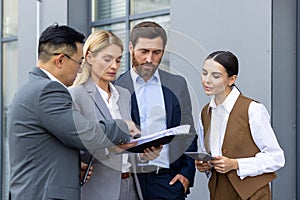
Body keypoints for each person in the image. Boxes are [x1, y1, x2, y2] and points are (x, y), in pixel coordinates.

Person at [8, 23, 139, 200]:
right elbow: (86, 134)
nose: (80, 68)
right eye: (79, 62)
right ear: (60, 60)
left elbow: (49, 148)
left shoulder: (31, 88)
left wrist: (76, 165)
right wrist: (123, 127)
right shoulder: (48, 91)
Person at [69, 30, 161, 200]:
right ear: (89, 58)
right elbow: (74, 147)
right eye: (107, 59)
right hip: (97, 190)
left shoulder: (124, 95)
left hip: (130, 186)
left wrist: (143, 154)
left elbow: (129, 143)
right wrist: (109, 148)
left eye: (118, 60)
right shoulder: (76, 95)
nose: (114, 66)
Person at [115, 21, 198, 200]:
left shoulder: (177, 84)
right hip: (129, 182)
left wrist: (186, 175)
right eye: (143, 51)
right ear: (131, 47)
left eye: (156, 52)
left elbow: (188, 131)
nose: (149, 59)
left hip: (167, 182)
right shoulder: (114, 88)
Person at [195, 50, 285, 199]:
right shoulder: (205, 113)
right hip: (220, 193)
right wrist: (206, 165)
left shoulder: (252, 109)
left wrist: (236, 164)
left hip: (253, 194)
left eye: (215, 76)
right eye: (204, 73)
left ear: (231, 79)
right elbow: (210, 155)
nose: (207, 80)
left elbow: (276, 158)